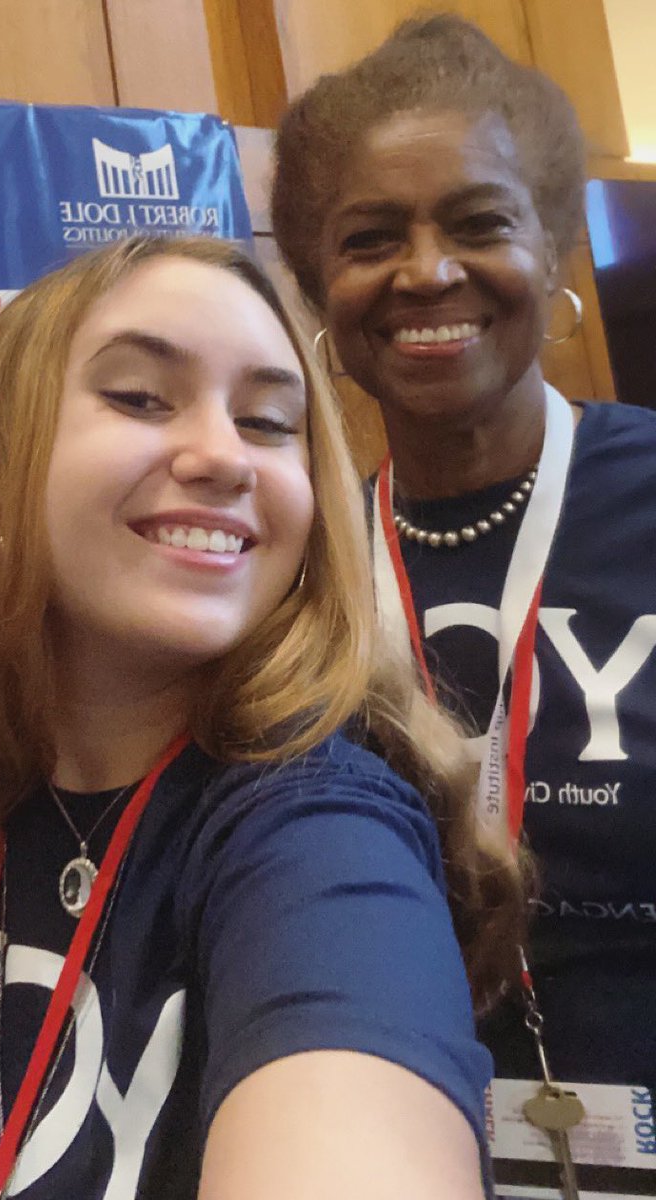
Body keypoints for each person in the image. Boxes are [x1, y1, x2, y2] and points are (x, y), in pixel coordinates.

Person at [0, 235, 525, 1200]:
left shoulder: (316, 831)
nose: (222, 457)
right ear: (1, 447)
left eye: (268, 421)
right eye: (139, 398)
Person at [272, 6, 656, 1166]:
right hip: (402, 1135)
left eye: (480, 223)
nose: (429, 271)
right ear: (319, 289)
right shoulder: (294, 562)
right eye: (370, 238)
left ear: (552, 249)